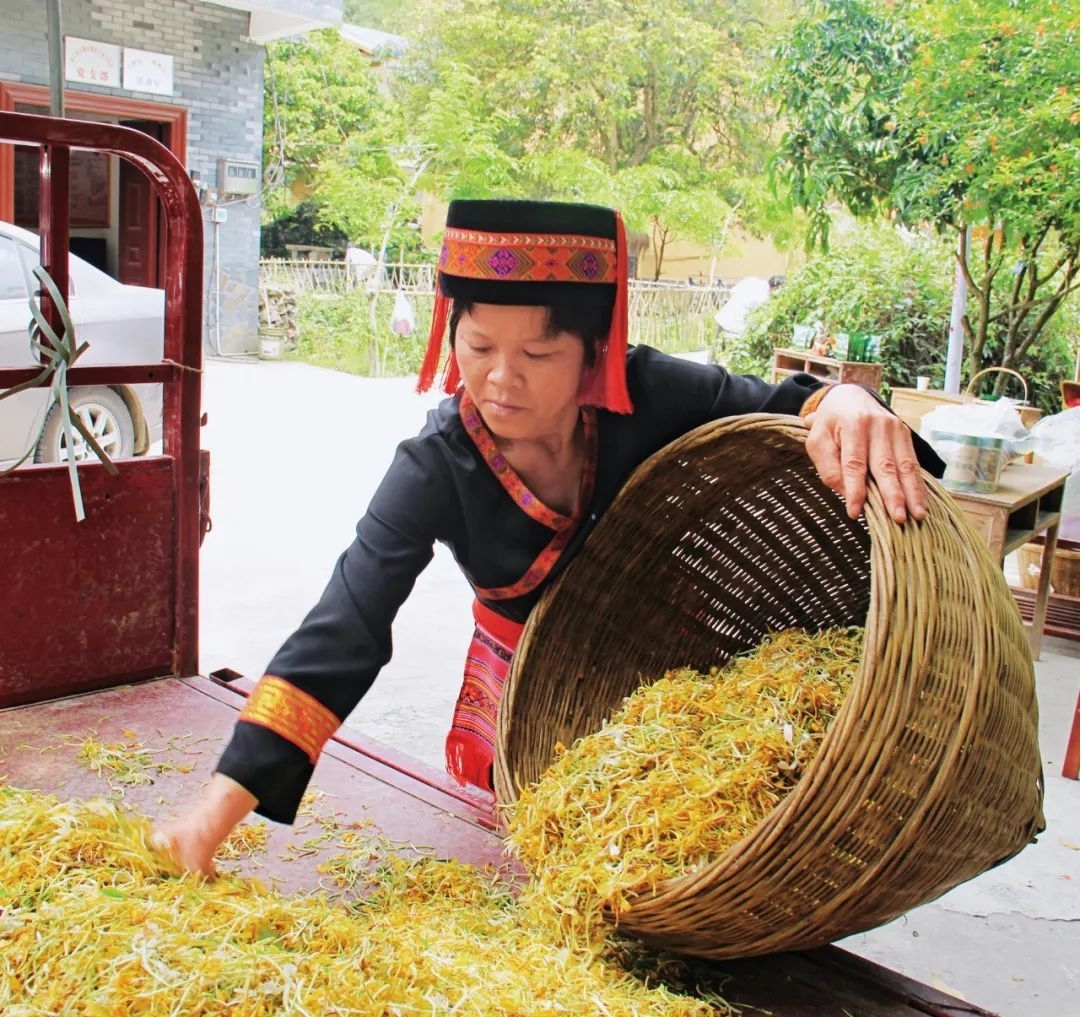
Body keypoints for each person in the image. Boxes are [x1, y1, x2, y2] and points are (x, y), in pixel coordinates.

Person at [153, 199, 941, 876]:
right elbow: (343, 628)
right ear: (448, 333)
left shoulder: (650, 392)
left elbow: (784, 405)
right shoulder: (435, 466)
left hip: (677, 685)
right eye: (478, 346)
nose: (500, 379)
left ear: (594, 351)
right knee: (543, 862)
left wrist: (842, 402)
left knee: (704, 839)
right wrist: (212, 816)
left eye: (536, 353)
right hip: (529, 698)